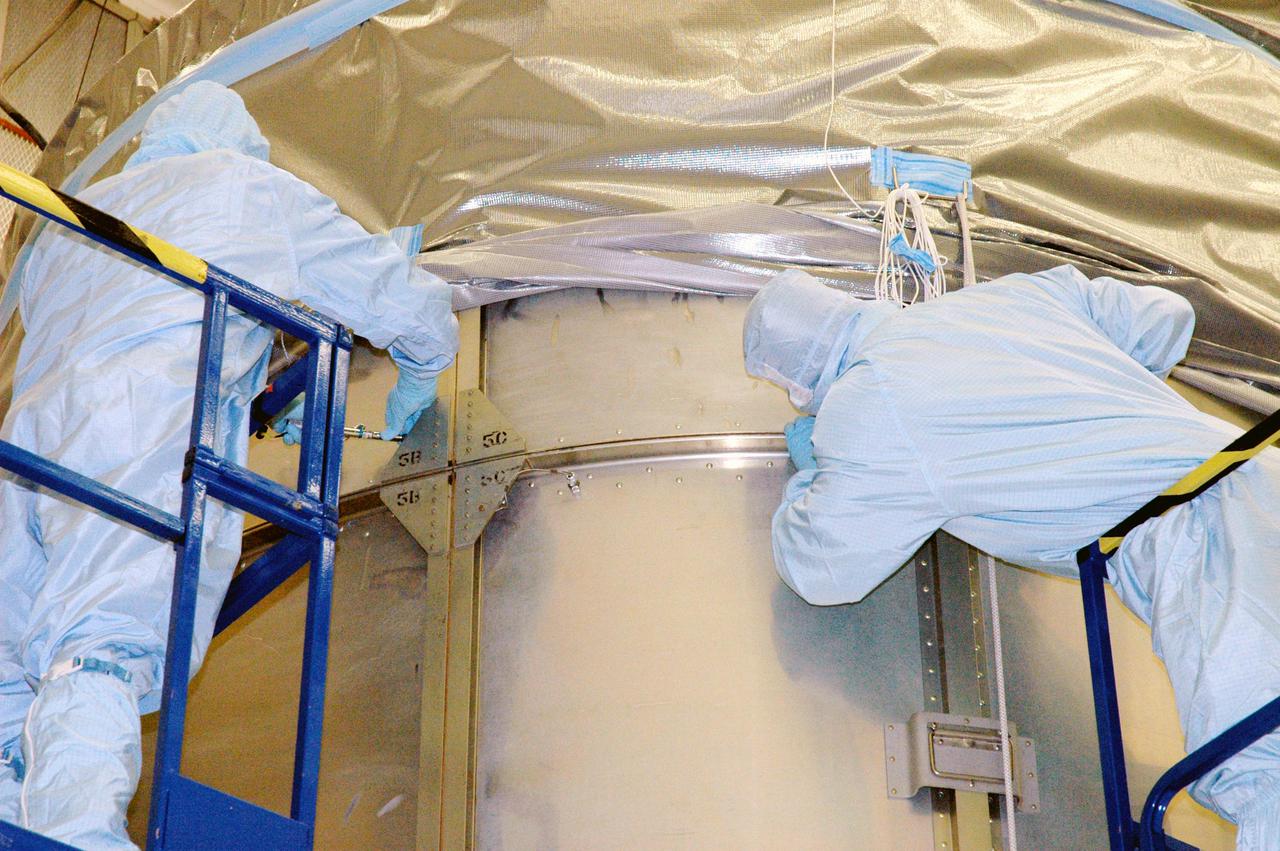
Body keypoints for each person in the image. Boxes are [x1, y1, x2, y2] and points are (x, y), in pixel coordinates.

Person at [0, 81, 459, 848]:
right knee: (101, 649)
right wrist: (423, 365)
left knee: (15, 676)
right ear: (237, 143)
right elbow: (389, 293)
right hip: (138, 435)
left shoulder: (70, 223)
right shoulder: (244, 187)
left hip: (28, 455)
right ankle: (78, 832)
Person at [743, 265, 1280, 848]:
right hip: (1258, 467)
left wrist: (814, 467)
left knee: (1264, 769)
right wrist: (1099, 400)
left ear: (796, 384)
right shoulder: (1015, 293)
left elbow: (819, 566)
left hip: (1196, 538)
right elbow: (1165, 320)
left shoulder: (872, 404)